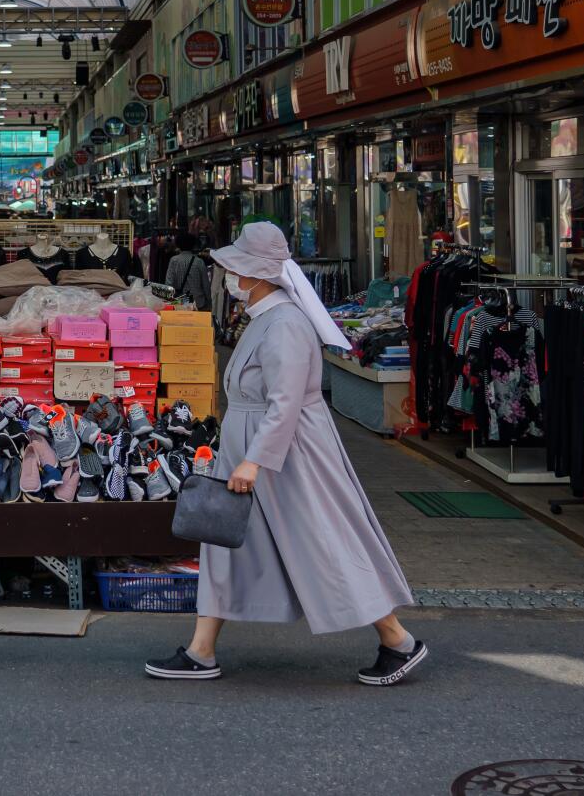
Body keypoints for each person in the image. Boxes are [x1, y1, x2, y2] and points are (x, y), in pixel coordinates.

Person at [146, 221, 423, 687]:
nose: (229, 278)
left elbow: (286, 402)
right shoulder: (271, 319)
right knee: (226, 543)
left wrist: (254, 460)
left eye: (235, 269)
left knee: (322, 541)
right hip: (262, 448)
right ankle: (201, 649)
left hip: (285, 455)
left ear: (255, 274)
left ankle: (398, 639)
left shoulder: (285, 324)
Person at [165, 233, 211, 312]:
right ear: (193, 245)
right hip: (198, 303)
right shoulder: (199, 262)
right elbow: (206, 285)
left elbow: (169, 284)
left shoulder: (174, 260)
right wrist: (209, 303)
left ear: (178, 244)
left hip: (180, 303)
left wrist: (168, 302)